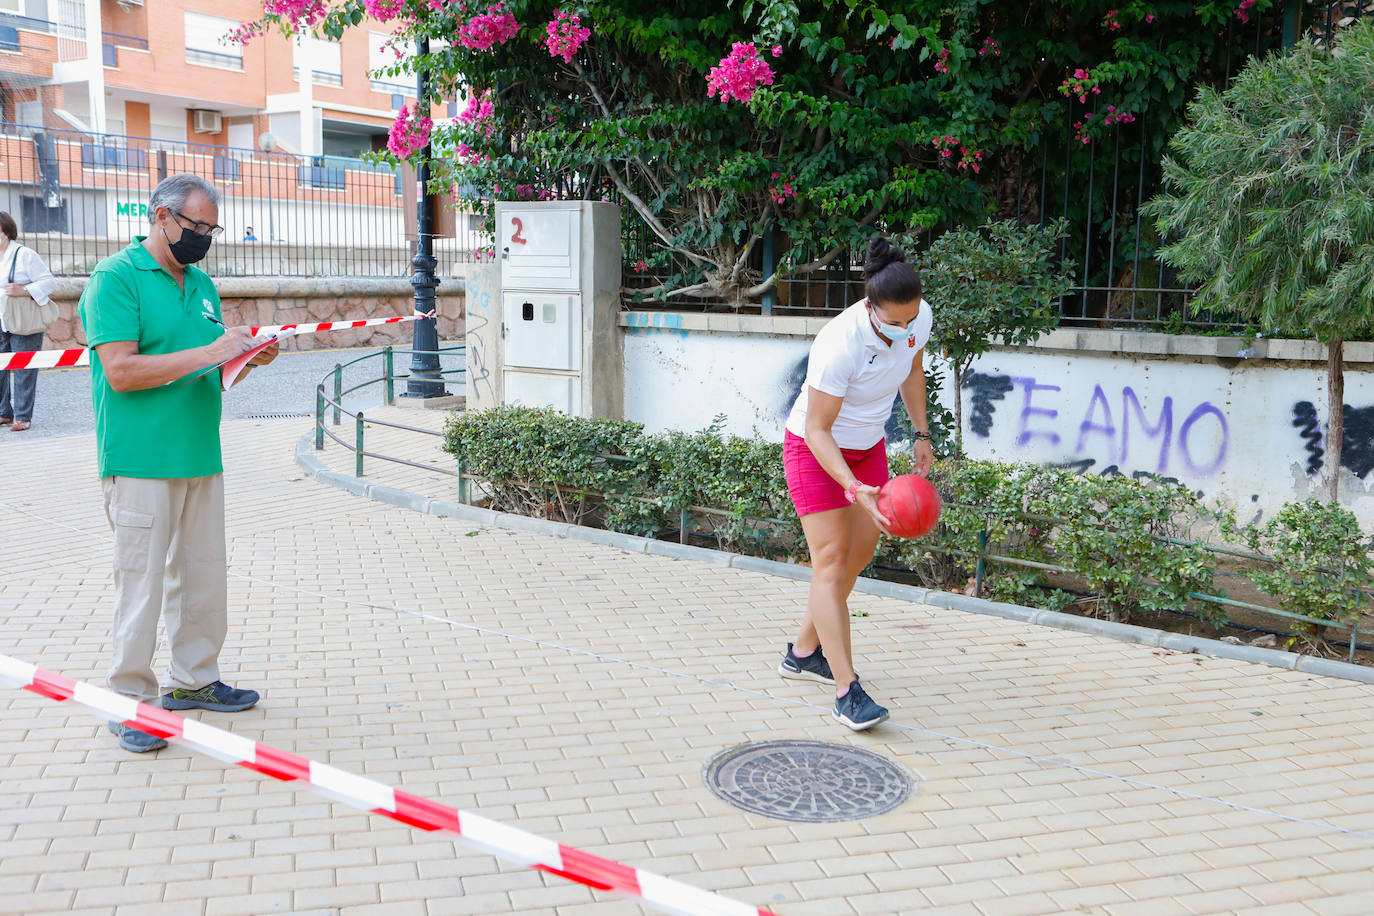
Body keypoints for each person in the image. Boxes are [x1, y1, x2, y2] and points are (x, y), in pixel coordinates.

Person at [77, 173, 279, 753]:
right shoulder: (115, 279)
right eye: (195, 226)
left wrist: (246, 358)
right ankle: (132, 704)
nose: (203, 238)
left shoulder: (201, 283)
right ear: (160, 217)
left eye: (211, 228)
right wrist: (212, 350)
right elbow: (121, 371)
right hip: (140, 459)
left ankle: (194, 681)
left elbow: (204, 362)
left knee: (202, 575)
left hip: (199, 453)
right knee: (139, 585)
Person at [778, 237, 934, 731]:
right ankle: (848, 691)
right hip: (815, 450)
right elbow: (817, 429)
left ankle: (804, 651)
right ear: (870, 307)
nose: (906, 328)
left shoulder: (915, 318)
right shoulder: (839, 342)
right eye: (895, 321)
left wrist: (921, 432)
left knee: (861, 554)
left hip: (868, 446)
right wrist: (850, 485)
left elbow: (912, 369)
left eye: (912, 319)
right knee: (830, 560)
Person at [0, 211, 57, 431]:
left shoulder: (24, 255)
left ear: (6, 231)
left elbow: (48, 282)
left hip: (24, 319)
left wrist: (23, 290)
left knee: (24, 366)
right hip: (1, 318)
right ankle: (4, 413)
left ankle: (23, 416)